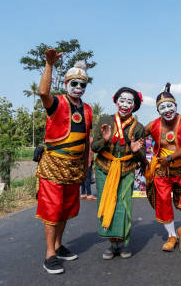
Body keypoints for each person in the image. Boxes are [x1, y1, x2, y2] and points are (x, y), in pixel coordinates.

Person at [35, 49, 92, 274]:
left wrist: (86, 164)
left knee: (66, 209)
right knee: (52, 209)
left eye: (82, 84)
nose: (78, 87)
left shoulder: (87, 109)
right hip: (53, 165)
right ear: (67, 83)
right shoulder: (56, 103)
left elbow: (87, 139)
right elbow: (42, 92)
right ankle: (49, 254)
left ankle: (58, 246)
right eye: (74, 83)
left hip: (75, 167)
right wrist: (49, 65)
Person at [145, 83, 181, 254]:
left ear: (176, 106)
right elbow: (136, 135)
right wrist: (142, 157)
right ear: (158, 110)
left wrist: (169, 158)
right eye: (162, 107)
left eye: (170, 106)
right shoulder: (153, 125)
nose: (167, 110)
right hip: (162, 170)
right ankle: (172, 236)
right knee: (162, 201)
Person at [92, 87, 145, 259]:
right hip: (104, 169)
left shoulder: (138, 127)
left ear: (134, 106)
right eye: (122, 100)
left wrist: (136, 151)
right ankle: (112, 244)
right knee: (108, 204)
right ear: (116, 101)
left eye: (130, 102)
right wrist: (104, 140)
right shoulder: (105, 120)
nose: (125, 104)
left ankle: (122, 243)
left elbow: (141, 156)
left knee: (123, 206)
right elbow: (94, 147)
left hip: (126, 170)